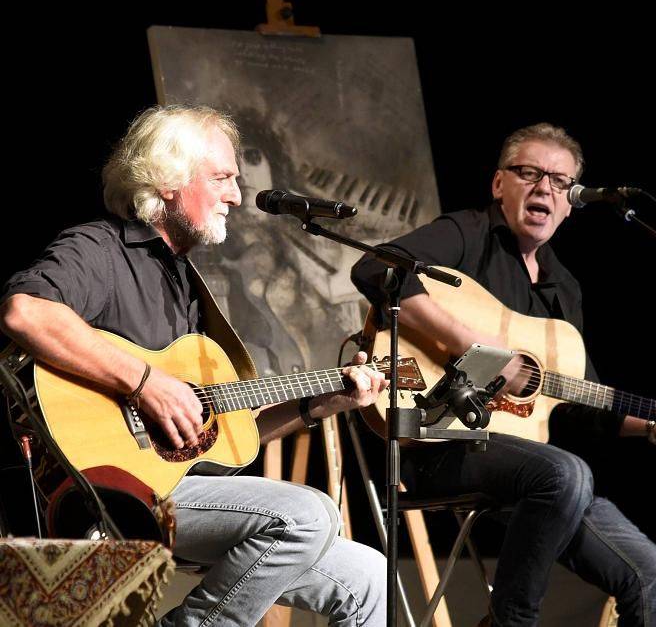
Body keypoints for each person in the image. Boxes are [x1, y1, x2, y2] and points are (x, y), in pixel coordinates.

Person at [0, 104, 387, 627]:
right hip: (109, 495)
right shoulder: (101, 249)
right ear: (166, 182)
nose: (236, 195)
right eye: (222, 178)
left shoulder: (186, 283)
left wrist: (322, 406)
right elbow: (26, 312)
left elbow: (226, 436)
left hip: (181, 490)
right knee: (308, 512)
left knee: (369, 576)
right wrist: (144, 382)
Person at [351, 123, 656, 627]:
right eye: (529, 173)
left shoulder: (563, 290)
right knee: (565, 472)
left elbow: (586, 409)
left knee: (654, 574)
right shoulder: (467, 233)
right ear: (498, 184)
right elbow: (377, 270)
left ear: (571, 203)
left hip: (539, 479)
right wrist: (479, 352)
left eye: (559, 181)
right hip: (439, 445)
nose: (544, 187)